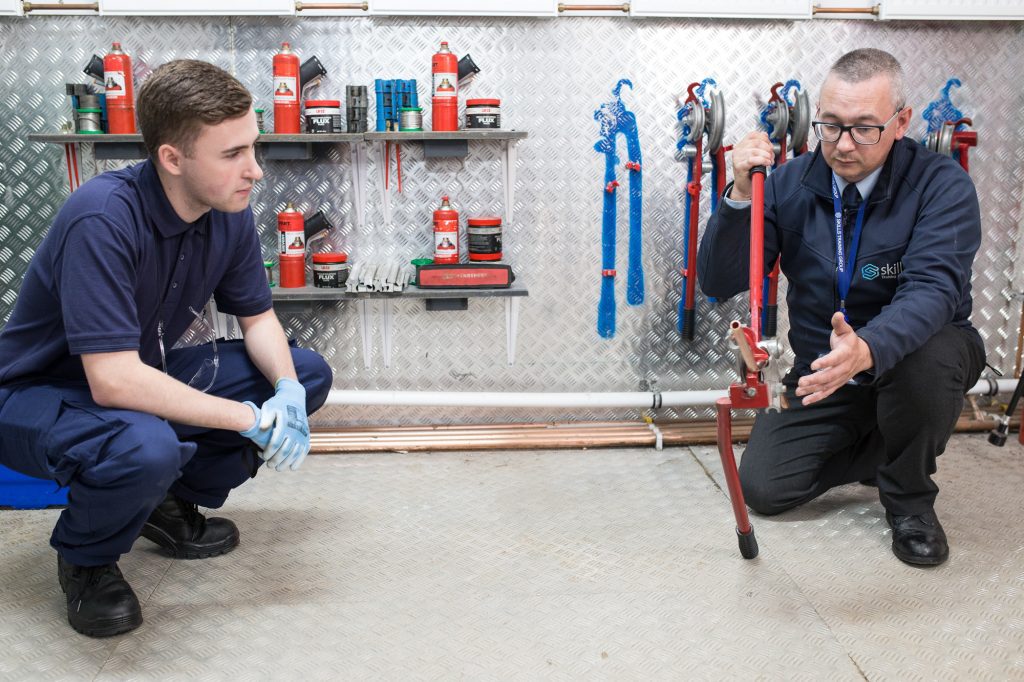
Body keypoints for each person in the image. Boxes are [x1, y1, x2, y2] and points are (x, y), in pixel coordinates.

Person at [0, 60, 333, 637]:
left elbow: (258, 320)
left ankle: (163, 504)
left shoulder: (226, 211)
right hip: (41, 393)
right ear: (172, 159)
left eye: (252, 147)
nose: (254, 170)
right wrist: (247, 419)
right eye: (232, 154)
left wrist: (285, 391)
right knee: (145, 445)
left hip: (136, 375)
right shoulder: (102, 218)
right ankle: (87, 558)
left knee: (307, 371)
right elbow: (112, 383)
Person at [697, 48, 985, 567]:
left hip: (914, 354)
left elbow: (934, 290)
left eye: (863, 129)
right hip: (823, 371)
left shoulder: (941, 186)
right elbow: (719, 280)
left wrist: (868, 347)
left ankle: (909, 498)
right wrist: (739, 193)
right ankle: (888, 439)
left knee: (929, 361)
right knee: (764, 488)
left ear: (901, 122)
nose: (843, 145)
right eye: (830, 126)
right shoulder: (786, 183)